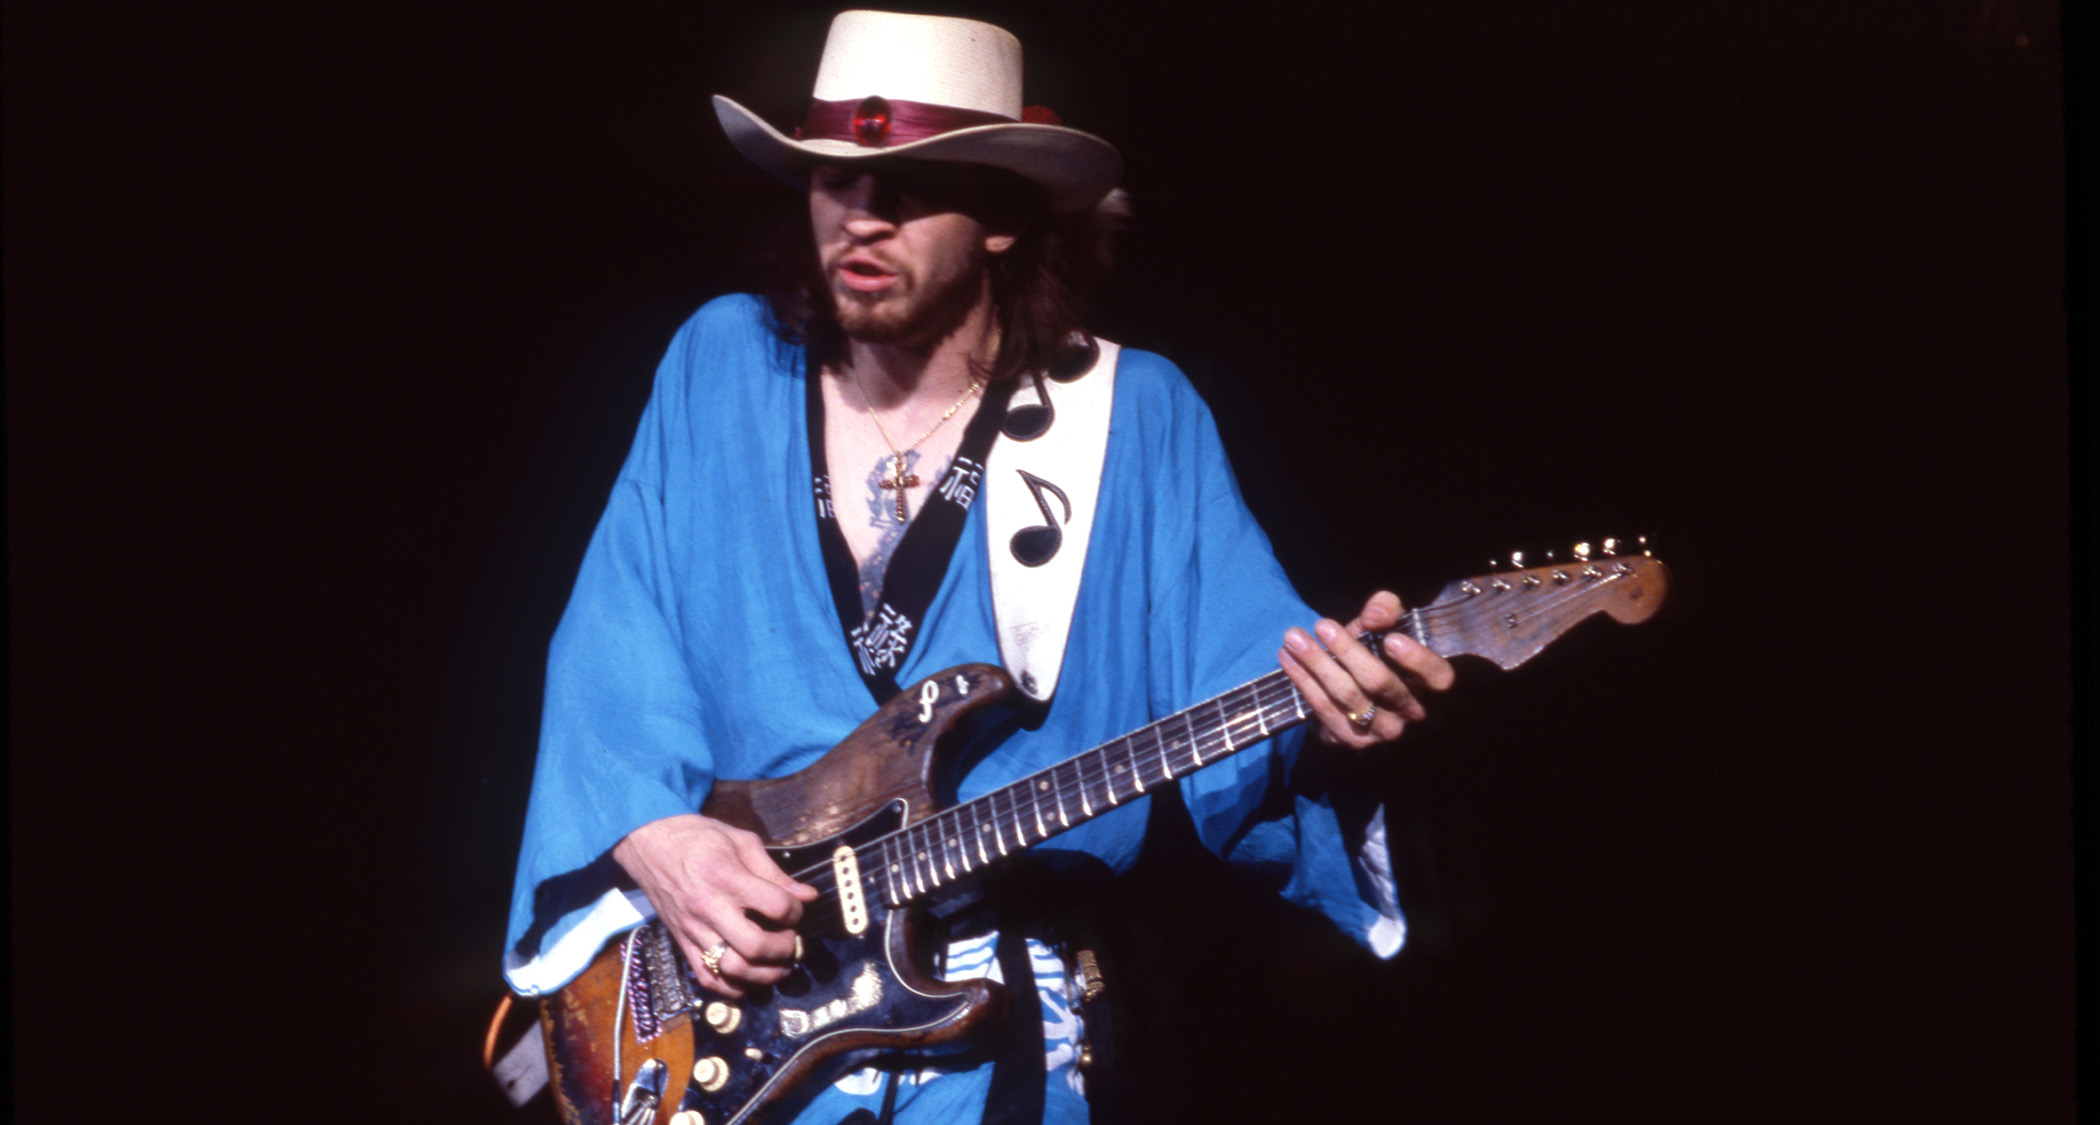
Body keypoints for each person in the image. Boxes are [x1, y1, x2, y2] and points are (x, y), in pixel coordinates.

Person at [504, 11, 1455, 1124]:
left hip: (1003, 1018)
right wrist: (649, 829)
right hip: (736, 1008)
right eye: (832, 182)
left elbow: (1248, 677)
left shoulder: (1132, 418)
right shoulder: (720, 367)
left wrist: (1335, 712)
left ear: (1004, 214)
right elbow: (615, 643)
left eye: (909, 188)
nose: (861, 219)